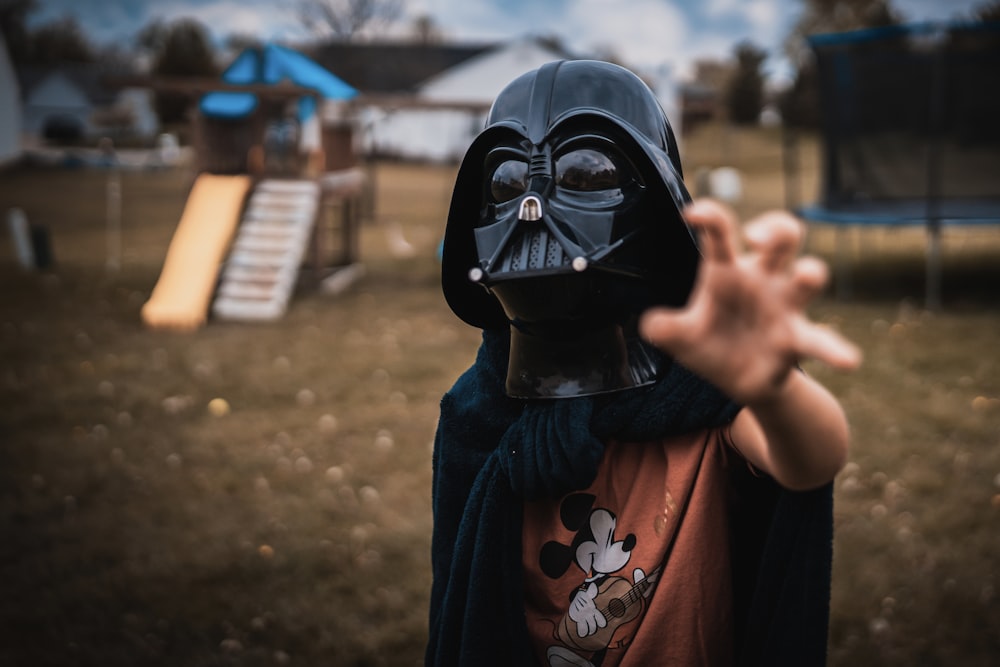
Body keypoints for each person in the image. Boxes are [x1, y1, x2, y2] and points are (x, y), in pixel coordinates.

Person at [428, 60, 860, 667]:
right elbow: (460, 610)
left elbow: (812, 462)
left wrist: (774, 390)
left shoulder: (701, 398)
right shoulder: (476, 414)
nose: (530, 208)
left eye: (584, 171)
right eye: (504, 179)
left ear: (658, 210)